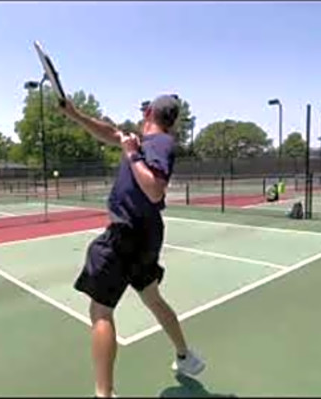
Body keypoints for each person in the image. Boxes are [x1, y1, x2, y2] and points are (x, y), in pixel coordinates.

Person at [59, 94, 205, 398]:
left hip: (127, 234)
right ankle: (184, 356)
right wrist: (75, 115)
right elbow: (111, 133)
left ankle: (104, 394)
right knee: (152, 297)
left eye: (144, 109)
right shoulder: (142, 141)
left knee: (101, 311)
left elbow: (154, 189)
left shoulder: (160, 143)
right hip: (146, 236)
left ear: (150, 112)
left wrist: (132, 154)